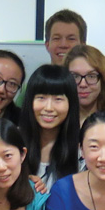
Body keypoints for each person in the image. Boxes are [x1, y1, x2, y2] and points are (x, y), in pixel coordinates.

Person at [19, 64, 81, 192]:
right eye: (41, 98)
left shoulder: (82, 151)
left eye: (58, 99)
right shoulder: (12, 141)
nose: (48, 108)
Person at [64, 44, 105, 122]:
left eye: (91, 76)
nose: (83, 84)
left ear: (103, 80)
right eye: (75, 76)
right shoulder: (56, 125)